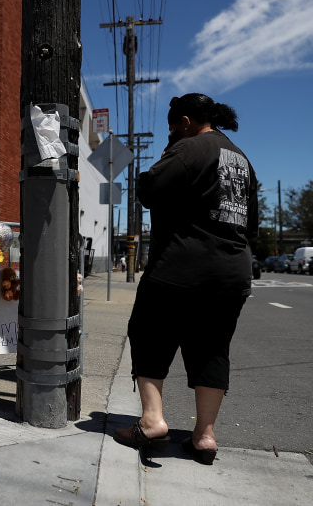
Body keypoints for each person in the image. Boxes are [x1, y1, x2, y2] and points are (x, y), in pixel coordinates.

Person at [112, 93, 258, 465]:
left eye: (173, 126)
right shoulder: (242, 160)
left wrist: (165, 156)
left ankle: (152, 421)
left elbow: (147, 189)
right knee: (212, 348)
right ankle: (205, 436)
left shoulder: (189, 149)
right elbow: (250, 225)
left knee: (149, 334)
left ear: (187, 121)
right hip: (232, 271)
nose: (171, 133)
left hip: (181, 266)